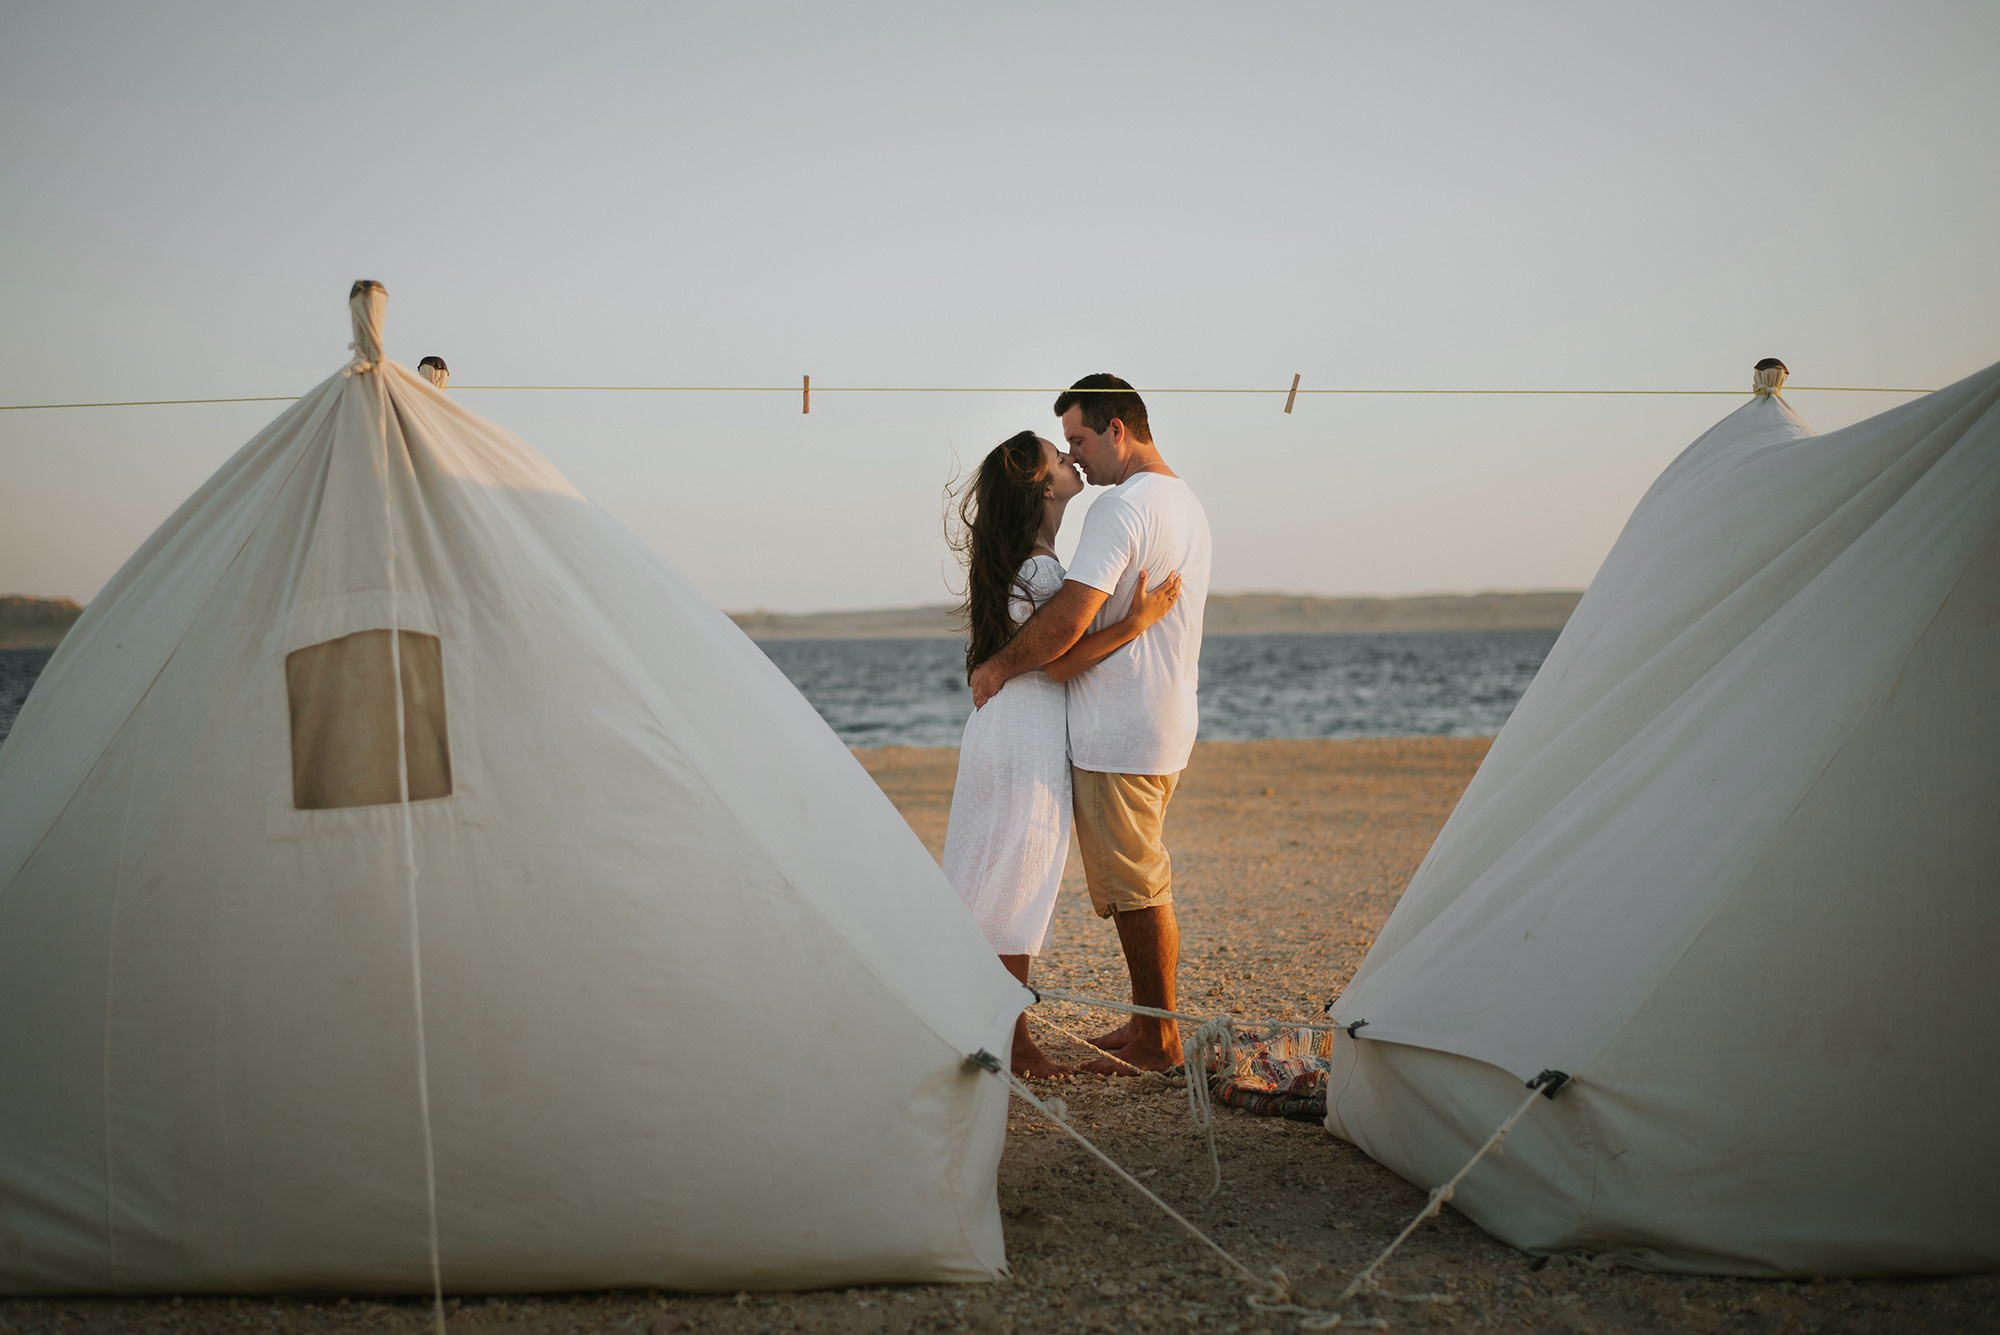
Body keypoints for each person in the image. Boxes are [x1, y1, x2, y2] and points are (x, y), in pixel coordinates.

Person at [970, 375, 1212, 1073]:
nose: (1075, 457)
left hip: (1122, 726)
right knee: (1136, 876)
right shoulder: (1183, 500)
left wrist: (995, 667)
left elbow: (1067, 626)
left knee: (1136, 883)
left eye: (1077, 439)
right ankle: (1148, 1027)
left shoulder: (1123, 507)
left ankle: (1156, 1039)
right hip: (1163, 718)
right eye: (1063, 447)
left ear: (1117, 429)